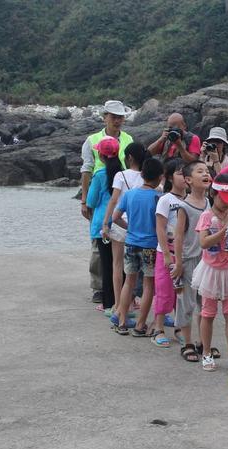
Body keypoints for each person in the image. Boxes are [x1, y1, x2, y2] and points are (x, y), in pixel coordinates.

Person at [80, 100, 134, 302]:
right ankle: (99, 287)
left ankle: (118, 291)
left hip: (122, 197)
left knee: (118, 246)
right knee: (99, 247)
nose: (117, 120)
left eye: (120, 117)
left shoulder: (128, 139)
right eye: (114, 117)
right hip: (102, 193)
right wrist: (84, 200)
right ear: (105, 117)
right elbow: (86, 169)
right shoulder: (92, 140)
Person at [191, 174, 228, 373]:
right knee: (208, 314)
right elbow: (204, 243)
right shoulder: (206, 216)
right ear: (214, 194)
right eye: (224, 198)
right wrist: (224, 231)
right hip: (211, 271)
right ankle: (206, 352)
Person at [112, 158, 164, 336]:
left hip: (131, 242)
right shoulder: (158, 198)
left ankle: (122, 321)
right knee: (149, 284)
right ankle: (140, 325)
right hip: (150, 245)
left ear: (142, 174)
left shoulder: (129, 195)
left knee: (129, 281)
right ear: (160, 177)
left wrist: (130, 228)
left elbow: (115, 217)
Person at [100, 142, 147, 328]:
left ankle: (118, 305)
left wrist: (106, 223)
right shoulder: (146, 176)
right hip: (138, 226)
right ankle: (132, 303)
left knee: (117, 265)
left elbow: (114, 200)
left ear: (129, 158)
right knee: (136, 270)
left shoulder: (120, 175)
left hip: (120, 224)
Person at [172, 161, 212, 362]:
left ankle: (203, 342)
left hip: (207, 260)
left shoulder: (209, 202)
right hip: (188, 260)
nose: (205, 174)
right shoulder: (184, 206)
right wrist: (178, 263)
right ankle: (187, 343)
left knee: (205, 303)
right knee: (186, 303)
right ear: (188, 180)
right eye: (200, 171)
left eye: (207, 171)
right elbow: (178, 236)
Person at [151, 158, 187, 348]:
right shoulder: (165, 200)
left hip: (186, 254)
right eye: (180, 173)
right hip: (167, 253)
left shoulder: (192, 199)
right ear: (170, 177)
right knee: (164, 291)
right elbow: (160, 227)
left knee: (182, 294)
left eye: (186, 173)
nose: (185, 177)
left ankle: (179, 328)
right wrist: (165, 253)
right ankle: (158, 328)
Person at [85, 136, 122, 312]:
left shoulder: (99, 175)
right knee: (121, 265)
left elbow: (91, 201)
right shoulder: (123, 174)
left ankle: (108, 303)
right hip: (121, 222)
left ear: (100, 155)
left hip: (102, 224)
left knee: (107, 265)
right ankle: (124, 301)